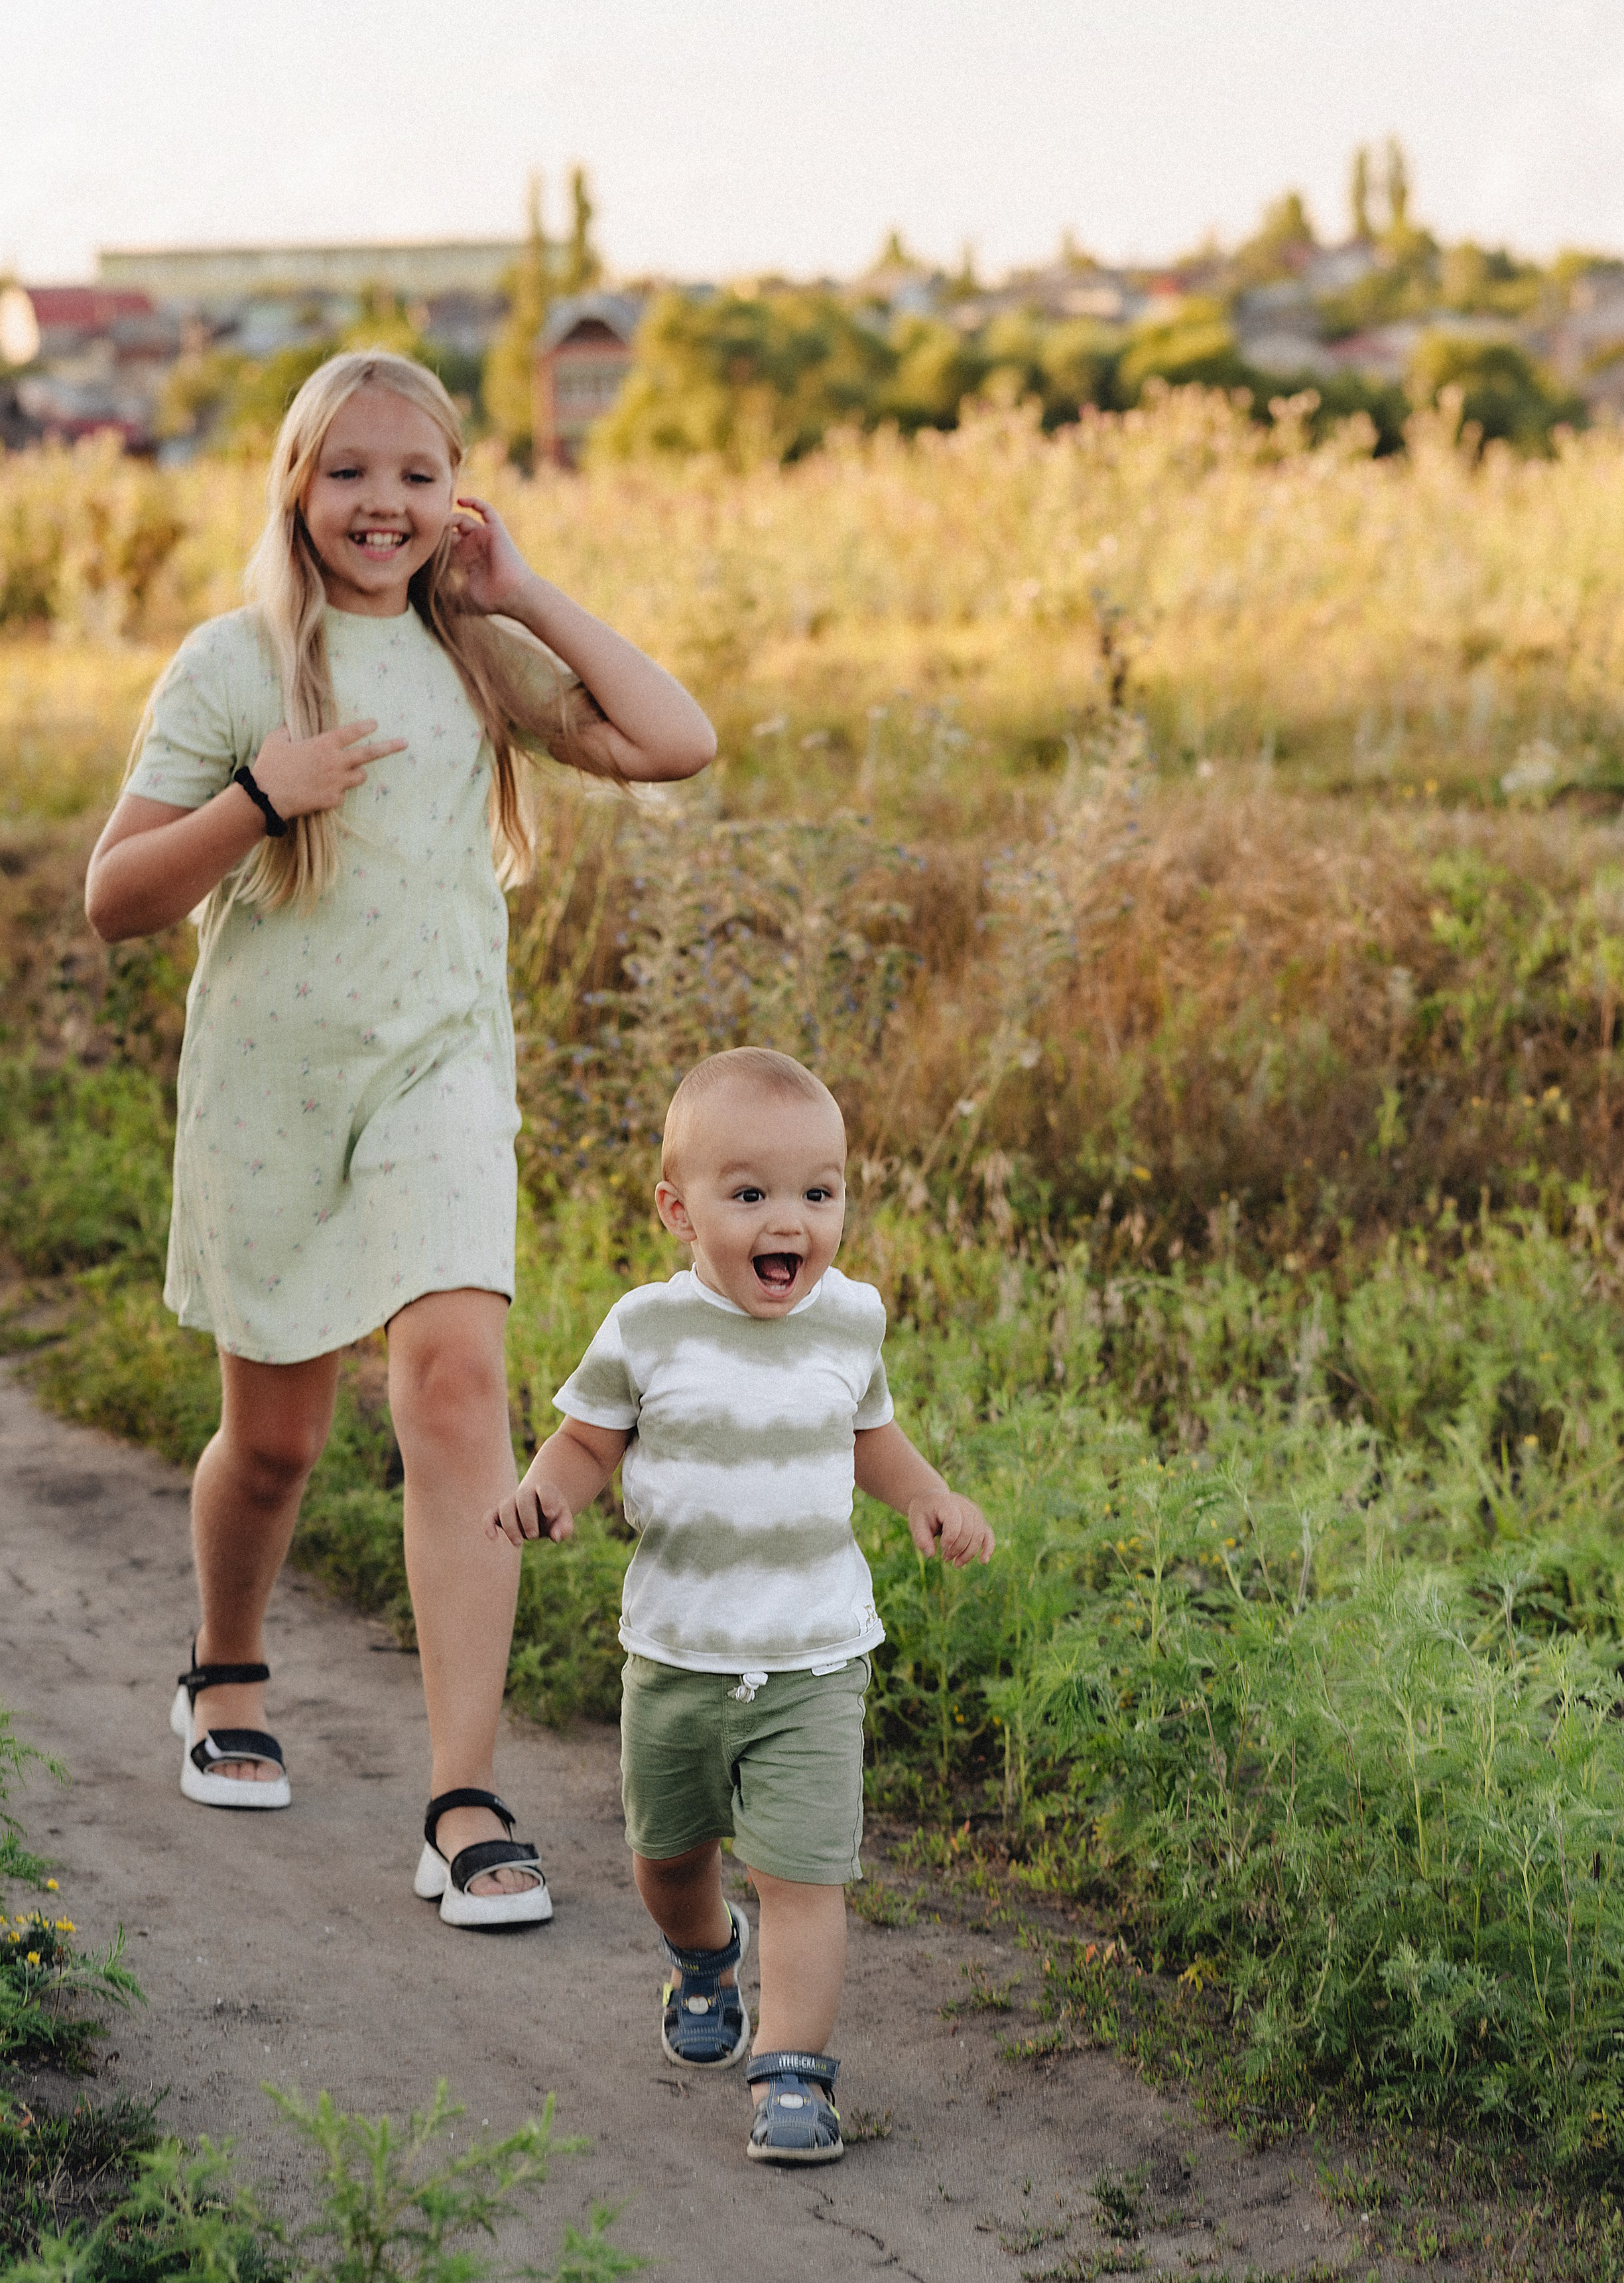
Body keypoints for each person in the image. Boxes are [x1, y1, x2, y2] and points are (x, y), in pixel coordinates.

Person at [85, 349, 716, 1928]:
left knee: (453, 1384)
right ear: (296, 486)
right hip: (271, 1089)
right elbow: (117, 898)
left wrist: (527, 593)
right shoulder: (233, 665)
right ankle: (224, 1667)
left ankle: (462, 1794)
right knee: (281, 1441)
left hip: (438, 1075)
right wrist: (257, 795)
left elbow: (673, 739)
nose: (385, 503)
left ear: (455, 497)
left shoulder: (475, 659)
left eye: (417, 476)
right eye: (351, 471)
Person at [485, 1046, 994, 2160]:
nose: (793, 1222)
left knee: (805, 1873)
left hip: (815, 1656)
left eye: (820, 1193)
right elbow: (587, 1439)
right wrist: (548, 1493)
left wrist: (925, 1495)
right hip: (679, 1652)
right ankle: (706, 1953)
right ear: (679, 1207)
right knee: (668, 1860)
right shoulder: (646, 1329)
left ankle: (794, 2070)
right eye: (751, 1193)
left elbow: (871, 1433)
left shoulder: (848, 1320)